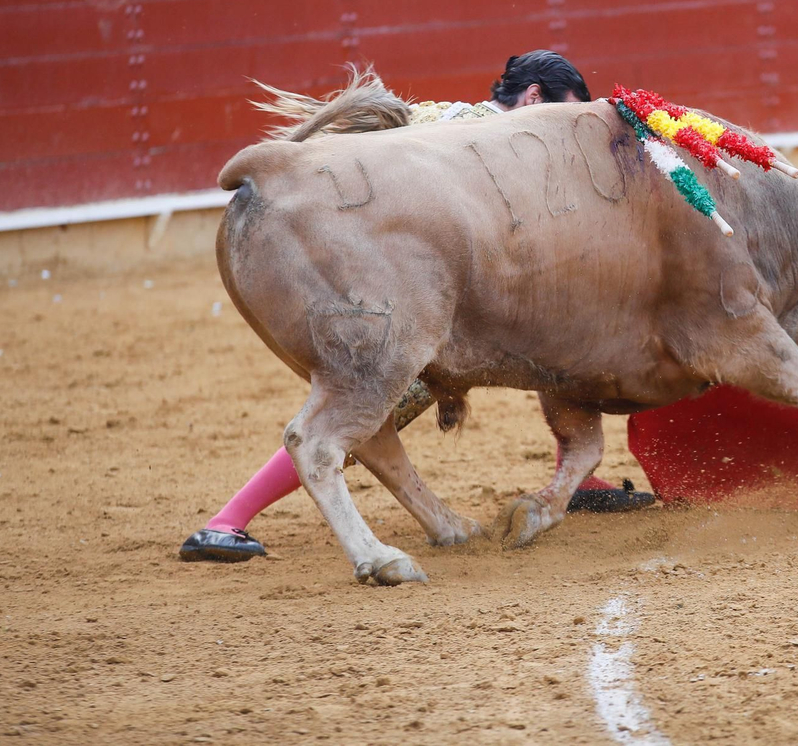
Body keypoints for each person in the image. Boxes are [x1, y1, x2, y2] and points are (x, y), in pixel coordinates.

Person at [179, 51, 657, 564]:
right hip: (407, 298)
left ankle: (566, 479)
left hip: (391, 281)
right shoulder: (511, 150)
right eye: (563, 116)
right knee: (358, 402)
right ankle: (228, 519)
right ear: (535, 99)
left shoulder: (438, 116)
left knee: (370, 396)